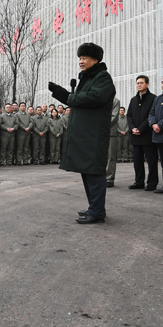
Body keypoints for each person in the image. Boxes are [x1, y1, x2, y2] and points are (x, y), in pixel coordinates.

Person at [49, 42, 116, 224]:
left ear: (95, 59)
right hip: (85, 134)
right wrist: (60, 93)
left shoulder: (103, 78)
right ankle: (94, 207)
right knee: (87, 171)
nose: (81, 61)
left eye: (84, 58)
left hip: (93, 135)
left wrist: (69, 97)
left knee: (94, 172)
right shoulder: (87, 78)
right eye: (79, 58)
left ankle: (97, 212)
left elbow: (95, 97)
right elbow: (78, 101)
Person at [126, 75, 158, 191]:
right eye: (137, 83)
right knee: (137, 161)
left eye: (141, 83)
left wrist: (141, 128)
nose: (139, 85)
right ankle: (139, 181)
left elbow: (151, 115)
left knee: (151, 161)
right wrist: (132, 128)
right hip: (135, 136)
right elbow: (129, 116)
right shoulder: (133, 100)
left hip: (147, 135)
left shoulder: (153, 99)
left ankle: (152, 182)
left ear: (147, 84)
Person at [105, 97, 122, 187]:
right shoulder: (99, 99)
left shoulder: (115, 101)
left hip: (110, 131)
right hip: (97, 132)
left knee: (110, 156)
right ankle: (99, 177)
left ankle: (109, 178)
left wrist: (101, 124)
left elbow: (114, 116)